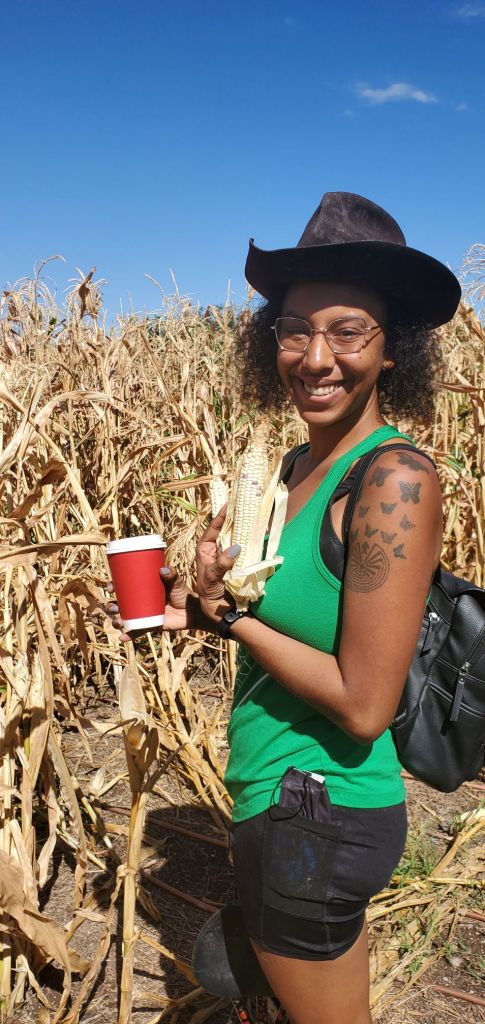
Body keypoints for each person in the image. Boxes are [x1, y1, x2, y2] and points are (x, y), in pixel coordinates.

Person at [108, 192, 461, 1024]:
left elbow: (364, 701)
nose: (313, 356)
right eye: (294, 329)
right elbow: (285, 617)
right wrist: (192, 603)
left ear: (393, 351)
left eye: (347, 331)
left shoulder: (392, 481)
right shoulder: (298, 469)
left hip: (321, 811)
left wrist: (231, 621)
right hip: (280, 798)